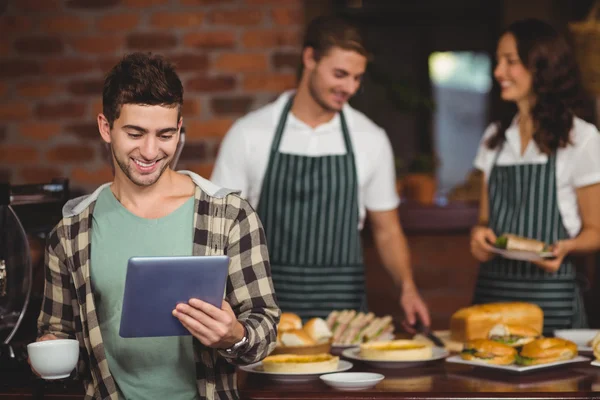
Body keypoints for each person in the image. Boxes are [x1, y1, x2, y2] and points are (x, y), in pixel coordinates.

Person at [34, 52, 280, 400]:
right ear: (106, 128)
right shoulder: (71, 232)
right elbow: (57, 331)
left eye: (165, 134)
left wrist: (235, 335)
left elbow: (264, 327)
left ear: (179, 129)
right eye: (135, 133)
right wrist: (50, 346)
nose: (150, 151)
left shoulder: (230, 216)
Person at [211, 15, 430, 330]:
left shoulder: (370, 138)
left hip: (344, 320)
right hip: (266, 316)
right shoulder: (249, 134)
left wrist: (407, 287)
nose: (349, 87)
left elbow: (387, 230)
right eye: (340, 74)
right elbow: (221, 230)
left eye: (357, 78)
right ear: (310, 58)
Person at [470, 18, 600, 334]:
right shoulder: (495, 138)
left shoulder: (580, 138)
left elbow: (596, 230)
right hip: (492, 304)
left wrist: (565, 248)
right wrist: (479, 237)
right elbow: (485, 221)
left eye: (510, 61)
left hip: (551, 303)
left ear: (542, 67)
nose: (498, 72)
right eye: (498, 61)